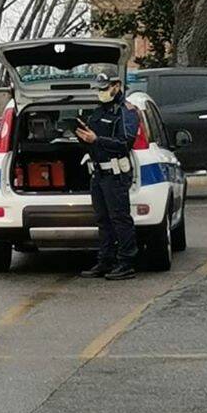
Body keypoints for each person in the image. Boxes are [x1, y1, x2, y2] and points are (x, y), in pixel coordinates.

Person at [76, 71, 140, 280]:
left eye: (105, 88)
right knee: (103, 219)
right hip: (99, 173)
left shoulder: (126, 112)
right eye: (99, 88)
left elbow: (125, 143)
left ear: (116, 86)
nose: (101, 92)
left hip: (115, 174)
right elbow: (92, 141)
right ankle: (105, 261)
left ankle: (127, 262)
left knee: (120, 218)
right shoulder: (98, 111)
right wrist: (84, 137)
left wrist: (97, 140)